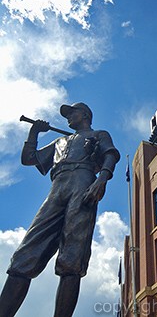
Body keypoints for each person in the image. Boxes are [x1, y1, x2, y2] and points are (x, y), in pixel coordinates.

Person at [0, 102, 120, 317]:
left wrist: (102, 179)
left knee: (73, 255)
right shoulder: (60, 142)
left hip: (83, 183)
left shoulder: (98, 134)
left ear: (84, 114)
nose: (68, 118)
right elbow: (29, 159)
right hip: (57, 188)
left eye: (72, 113)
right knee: (25, 254)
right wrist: (34, 132)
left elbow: (110, 154)